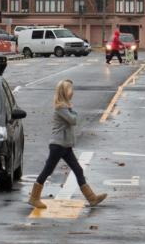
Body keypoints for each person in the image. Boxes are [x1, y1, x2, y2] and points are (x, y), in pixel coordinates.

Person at [29, 79, 107, 209]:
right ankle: (34, 198)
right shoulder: (61, 107)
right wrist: (72, 109)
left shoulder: (65, 107)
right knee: (48, 170)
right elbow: (73, 120)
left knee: (78, 169)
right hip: (58, 145)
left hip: (65, 145)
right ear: (64, 92)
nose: (73, 92)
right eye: (70, 89)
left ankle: (92, 198)